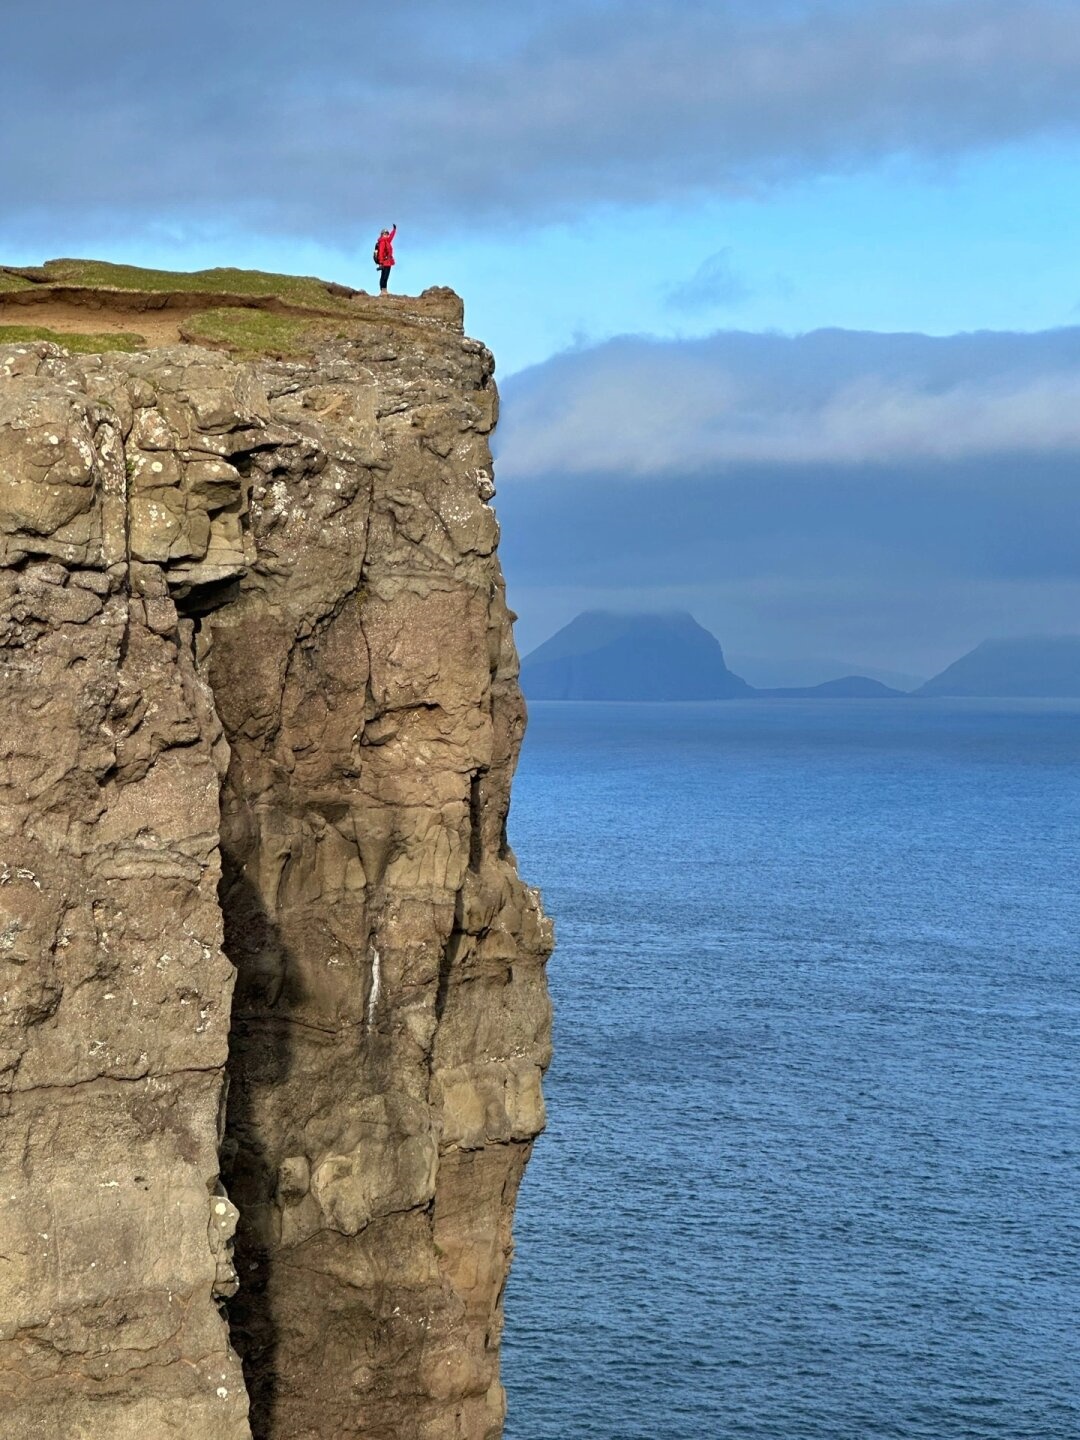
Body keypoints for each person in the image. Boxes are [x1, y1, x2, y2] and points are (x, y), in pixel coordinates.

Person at [375, 224, 397, 293]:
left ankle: (384, 290)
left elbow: (391, 236)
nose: (386, 235)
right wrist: (381, 262)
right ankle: (383, 290)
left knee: (385, 277)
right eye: (385, 234)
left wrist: (394, 230)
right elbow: (381, 253)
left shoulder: (387, 241)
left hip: (388, 262)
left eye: (387, 233)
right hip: (384, 262)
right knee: (384, 277)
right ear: (382, 235)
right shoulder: (382, 242)